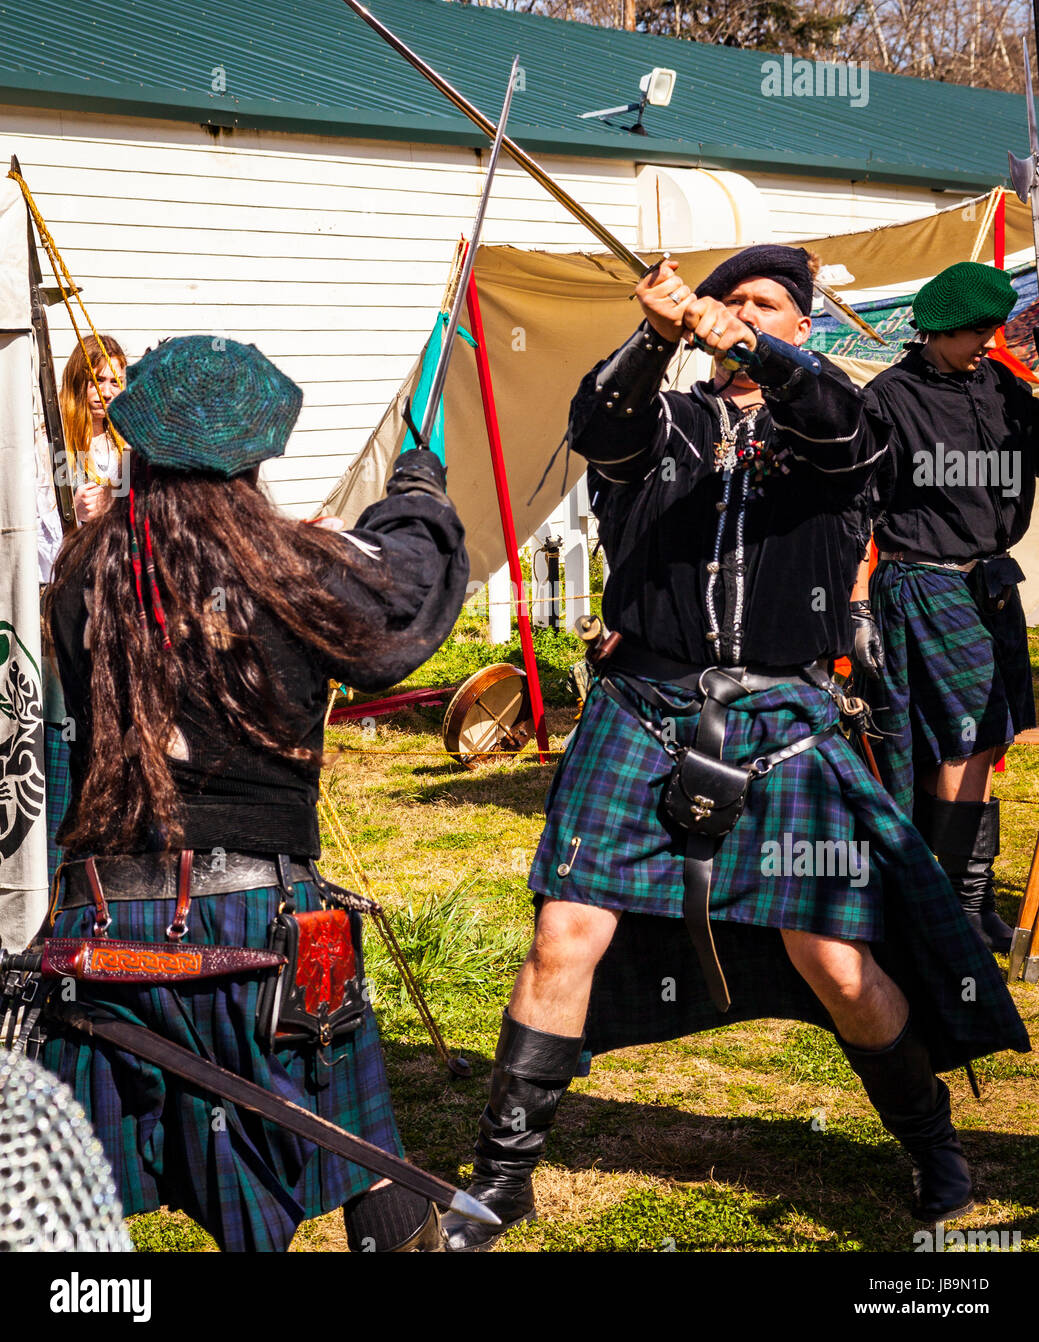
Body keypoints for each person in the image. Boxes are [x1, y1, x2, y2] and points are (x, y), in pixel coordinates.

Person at [442, 245, 1029, 1252]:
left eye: (764, 307)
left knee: (834, 959)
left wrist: (756, 344)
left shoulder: (847, 424)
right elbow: (599, 428)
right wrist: (651, 336)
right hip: (643, 708)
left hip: (785, 719)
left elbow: (839, 434)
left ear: (801, 328)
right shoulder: (669, 420)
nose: (738, 316)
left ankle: (934, 1149)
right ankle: (501, 1181)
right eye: (727, 302)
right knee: (564, 933)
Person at [41, 335, 469, 1252]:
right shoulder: (294, 566)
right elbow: (405, 593)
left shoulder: (82, 570)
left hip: (104, 920)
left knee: (66, 1201)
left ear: (139, 441)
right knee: (357, 1150)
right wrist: (419, 496)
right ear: (260, 450)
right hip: (260, 919)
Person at [856, 262, 1038, 953]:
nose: (986, 342)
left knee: (985, 742)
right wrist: (853, 608)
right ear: (935, 329)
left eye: (993, 330)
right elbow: (855, 511)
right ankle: (951, 908)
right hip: (923, 582)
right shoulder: (887, 398)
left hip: (989, 583)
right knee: (955, 741)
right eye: (974, 333)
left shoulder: (1000, 387)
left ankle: (966, 898)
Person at [58, 333, 128, 524]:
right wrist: (72, 514)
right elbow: (26, 533)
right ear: (77, 382)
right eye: (96, 380)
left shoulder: (127, 442)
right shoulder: (54, 442)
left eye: (115, 382)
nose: (106, 393)